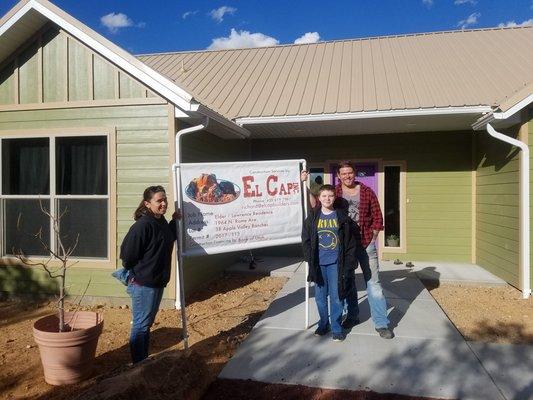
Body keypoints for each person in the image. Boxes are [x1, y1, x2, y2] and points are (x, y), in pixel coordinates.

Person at [302, 162, 394, 339]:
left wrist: (373, 236)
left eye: (350, 173)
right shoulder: (335, 193)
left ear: (355, 173)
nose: (347, 176)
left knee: (373, 283)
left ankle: (381, 324)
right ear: (339, 175)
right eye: (343, 174)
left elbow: (377, 216)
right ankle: (352, 316)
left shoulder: (367, 192)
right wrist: (306, 185)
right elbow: (316, 205)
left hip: (366, 243)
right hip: (344, 247)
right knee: (347, 281)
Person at [120, 185, 179, 363]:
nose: (163, 203)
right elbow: (127, 257)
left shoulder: (160, 221)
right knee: (141, 325)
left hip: (157, 282)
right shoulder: (142, 226)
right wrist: (139, 273)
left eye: (165, 200)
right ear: (147, 203)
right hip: (144, 284)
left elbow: (166, 240)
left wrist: (174, 222)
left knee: (146, 324)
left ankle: (142, 360)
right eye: (159, 201)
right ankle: (139, 364)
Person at [301, 184, 357, 342]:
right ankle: (323, 323)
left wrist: (348, 263)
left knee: (337, 296)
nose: (327, 199)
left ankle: (337, 327)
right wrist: (309, 259)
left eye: (330, 196)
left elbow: (350, 243)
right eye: (324, 196)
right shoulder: (312, 217)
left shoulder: (342, 217)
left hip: (336, 264)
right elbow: (305, 240)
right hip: (318, 264)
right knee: (320, 297)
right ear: (319, 198)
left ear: (334, 198)